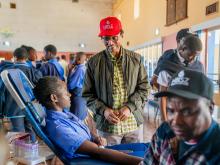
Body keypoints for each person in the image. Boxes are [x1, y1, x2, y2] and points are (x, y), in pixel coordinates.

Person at [33, 76, 144, 165]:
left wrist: (96, 137)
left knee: (146, 148)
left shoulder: (64, 114)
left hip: (96, 150)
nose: (69, 94)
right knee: (145, 155)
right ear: (54, 98)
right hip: (90, 158)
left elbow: (85, 130)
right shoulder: (58, 128)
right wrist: (142, 162)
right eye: (66, 92)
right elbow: (98, 152)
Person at [82, 16, 150, 145]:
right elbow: (87, 94)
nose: (111, 42)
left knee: (134, 158)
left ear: (122, 35)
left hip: (133, 123)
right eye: (107, 38)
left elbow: (144, 88)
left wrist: (129, 107)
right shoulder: (94, 63)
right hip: (108, 127)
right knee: (111, 159)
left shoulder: (136, 59)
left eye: (115, 37)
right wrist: (104, 111)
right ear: (102, 38)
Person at [141, 69, 220, 164]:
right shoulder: (165, 131)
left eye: (187, 111)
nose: (176, 121)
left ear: (210, 108)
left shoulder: (215, 152)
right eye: (170, 110)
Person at [156, 34, 203, 121]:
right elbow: (163, 96)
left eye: (196, 56)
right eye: (191, 55)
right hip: (173, 112)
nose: (193, 59)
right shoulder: (167, 64)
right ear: (183, 49)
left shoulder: (198, 66)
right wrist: (164, 121)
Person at [67, 52, 87, 120]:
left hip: (77, 95)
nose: (73, 60)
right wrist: (70, 71)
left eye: (74, 58)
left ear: (79, 59)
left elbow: (71, 85)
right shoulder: (81, 68)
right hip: (80, 95)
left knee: (77, 117)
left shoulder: (80, 69)